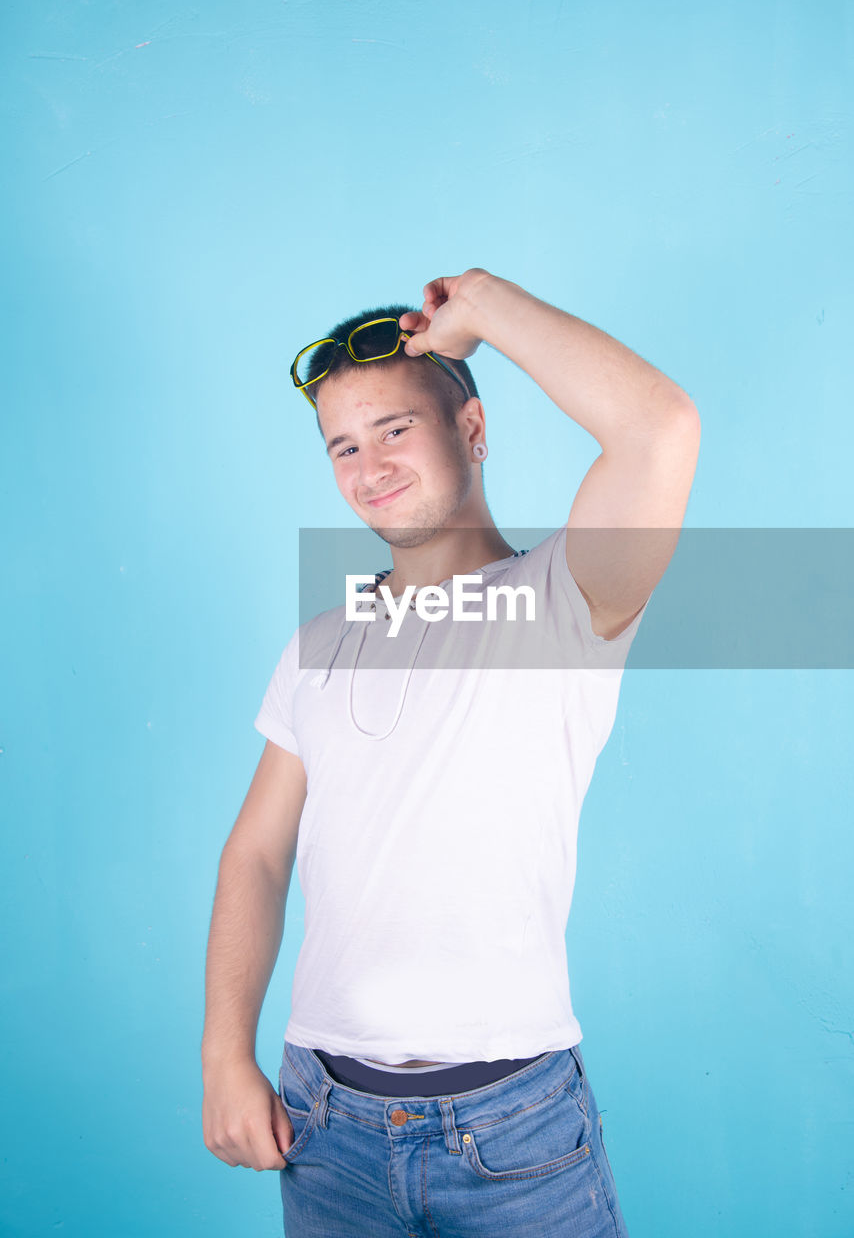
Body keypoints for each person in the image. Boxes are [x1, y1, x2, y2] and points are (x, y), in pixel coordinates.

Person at [201, 266, 701, 1236]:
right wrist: (227, 1049)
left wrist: (481, 307)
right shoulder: (316, 643)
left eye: (394, 428)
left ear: (471, 431)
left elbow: (657, 425)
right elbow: (256, 853)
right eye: (342, 444)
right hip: (323, 1121)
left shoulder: (564, 599)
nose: (367, 464)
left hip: (514, 1137)